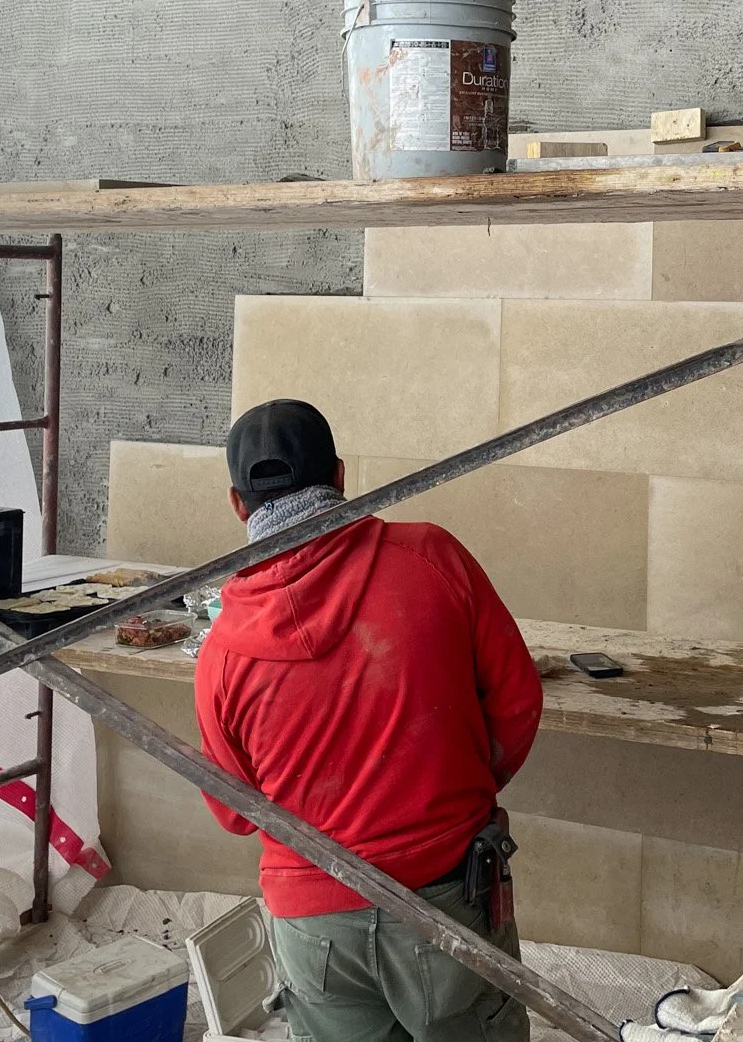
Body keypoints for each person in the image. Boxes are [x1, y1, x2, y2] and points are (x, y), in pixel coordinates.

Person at [195, 399, 542, 1042]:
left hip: (312, 922)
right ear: (340, 476)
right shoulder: (432, 557)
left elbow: (234, 813)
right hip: (447, 897)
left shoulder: (222, 653)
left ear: (238, 505)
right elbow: (517, 701)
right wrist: (456, 789)